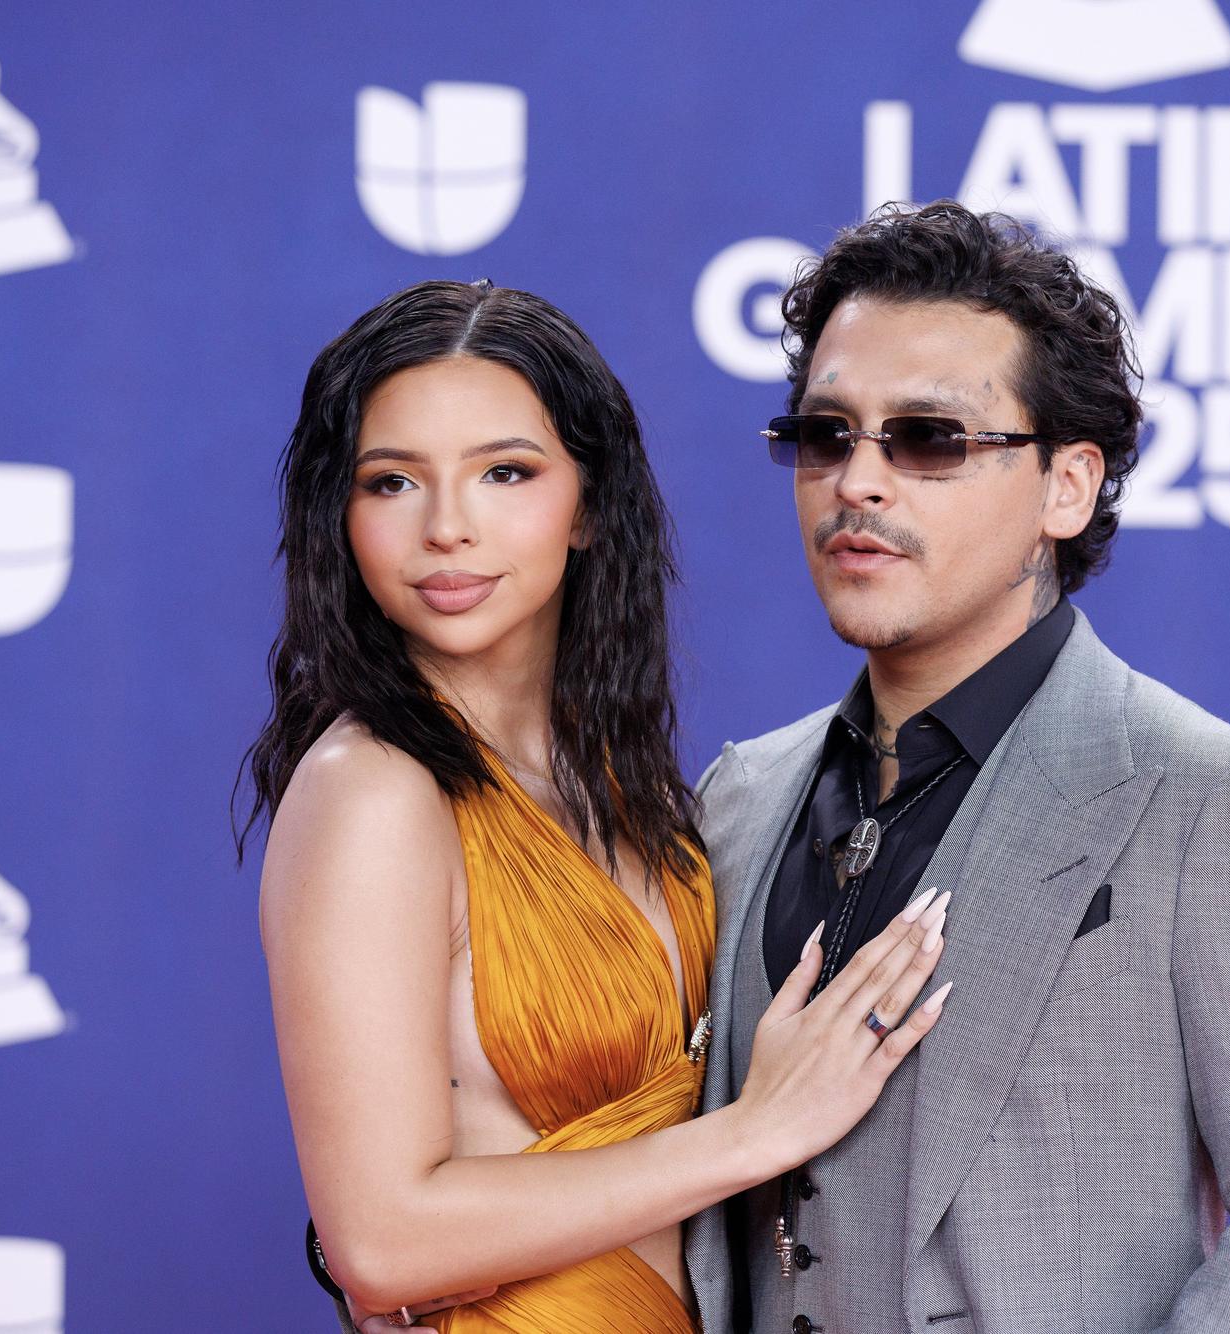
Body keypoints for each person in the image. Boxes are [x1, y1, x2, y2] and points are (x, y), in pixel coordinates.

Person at [681, 202, 1230, 1332]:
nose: (857, 482)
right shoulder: (736, 796)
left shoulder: (1214, 800)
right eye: (826, 435)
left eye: (927, 437)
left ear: (1065, 487)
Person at [237, 279, 954, 1333]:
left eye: (505, 472)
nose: (446, 527)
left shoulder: (629, 786)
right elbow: (380, 1240)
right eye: (390, 482)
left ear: (585, 505)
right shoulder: (371, 790)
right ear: (339, 517)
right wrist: (760, 1127)